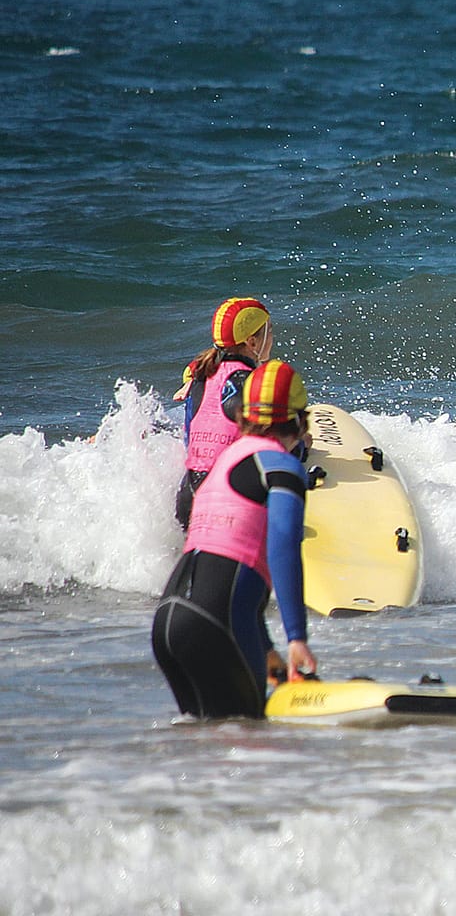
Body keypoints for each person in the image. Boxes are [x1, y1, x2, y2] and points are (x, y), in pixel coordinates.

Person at [153, 359, 319, 720]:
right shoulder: (282, 467)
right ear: (298, 420)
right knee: (249, 750)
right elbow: (283, 546)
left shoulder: (225, 463)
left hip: (170, 619)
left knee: (206, 752)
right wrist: (296, 638)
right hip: (217, 623)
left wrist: (267, 652)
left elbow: (225, 570)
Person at [173, 297, 275, 527]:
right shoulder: (251, 384)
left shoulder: (200, 375)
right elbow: (278, 446)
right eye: (270, 332)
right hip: (226, 504)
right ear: (252, 342)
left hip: (187, 500)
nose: (273, 339)